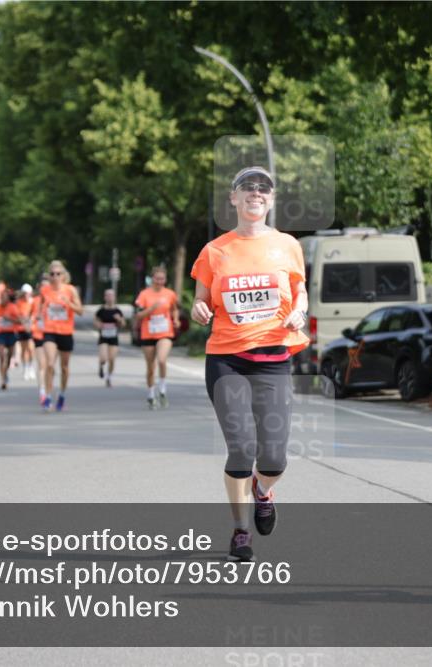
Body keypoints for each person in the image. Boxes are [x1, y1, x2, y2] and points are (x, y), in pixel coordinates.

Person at [190, 166, 309, 562]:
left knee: (273, 457)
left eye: (264, 188)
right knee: (242, 449)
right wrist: (200, 308)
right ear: (234, 198)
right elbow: (200, 300)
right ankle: (241, 531)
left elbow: (300, 291)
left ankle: (264, 491)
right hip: (226, 360)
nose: (256, 192)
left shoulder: (288, 246)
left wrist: (300, 314)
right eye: (248, 187)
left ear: (271, 200)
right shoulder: (214, 251)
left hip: (273, 360)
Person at [38, 261, 83, 412]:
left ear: (64, 276)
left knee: (64, 367)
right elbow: (40, 308)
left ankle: (62, 394)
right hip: (50, 331)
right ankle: (48, 396)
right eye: (52, 274)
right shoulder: (44, 290)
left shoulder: (70, 290)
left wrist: (68, 303)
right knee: (50, 364)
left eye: (58, 274)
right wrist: (38, 318)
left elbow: (80, 311)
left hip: (66, 332)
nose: (55, 276)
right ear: (48, 276)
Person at [134, 266, 179, 408]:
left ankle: (163, 389)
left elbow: (174, 308)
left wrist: (176, 319)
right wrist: (152, 309)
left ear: (165, 280)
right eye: (157, 278)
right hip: (148, 333)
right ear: (152, 279)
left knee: (161, 359)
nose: (160, 281)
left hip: (165, 333)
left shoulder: (170, 294)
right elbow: (138, 315)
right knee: (150, 367)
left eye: (162, 279)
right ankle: (151, 394)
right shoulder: (144, 294)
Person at [0, 288, 23, 390]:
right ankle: (3, 379)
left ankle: (6, 372)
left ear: (8, 299)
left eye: (4, 297)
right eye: (1, 297)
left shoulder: (13, 307)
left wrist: (9, 319)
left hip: (11, 333)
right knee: (1, 356)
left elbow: (20, 321)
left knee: (9, 356)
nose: (2, 299)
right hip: (0, 333)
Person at [95, 288, 125, 387]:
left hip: (113, 337)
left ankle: (109, 377)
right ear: (105, 297)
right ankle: (101, 366)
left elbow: (123, 324)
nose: (110, 297)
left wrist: (119, 320)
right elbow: (96, 321)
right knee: (103, 358)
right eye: (107, 295)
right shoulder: (101, 310)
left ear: (114, 297)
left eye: (111, 295)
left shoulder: (118, 311)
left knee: (112, 359)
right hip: (103, 336)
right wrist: (99, 325)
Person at [31, 274, 49, 404]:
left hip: (52, 335)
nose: (45, 288)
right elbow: (29, 315)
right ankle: (42, 391)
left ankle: (48, 389)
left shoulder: (54, 299)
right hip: (38, 335)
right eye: (42, 286)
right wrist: (34, 318)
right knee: (42, 364)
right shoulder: (35, 301)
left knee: (50, 366)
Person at [16, 283, 36, 380]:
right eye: (24, 293)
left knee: (31, 349)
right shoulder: (19, 302)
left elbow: (34, 313)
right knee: (24, 350)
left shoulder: (32, 302)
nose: (26, 295)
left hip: (31, 328)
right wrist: (23, 321)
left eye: (27, 293)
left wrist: (31, 320)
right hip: (21, 328)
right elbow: (18, 315)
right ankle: (25, 368)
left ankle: (31, 366)